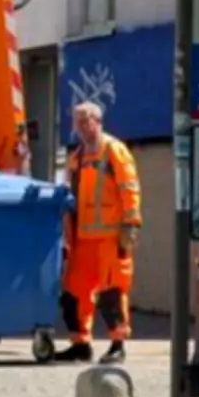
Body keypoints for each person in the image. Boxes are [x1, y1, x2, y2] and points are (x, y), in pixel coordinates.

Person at [55, 101, 142, 365]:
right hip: (83, 239)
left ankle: (118, 344)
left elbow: (130, 188)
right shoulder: (77, 156)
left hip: (110, 237)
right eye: (76, 122)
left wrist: (131, 224)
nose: (80, 127)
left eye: (84, 121)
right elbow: (68, 194)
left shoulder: (114, 150)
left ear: (97, 120)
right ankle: (80, 344)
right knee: (73, 292)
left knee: (112, 292)